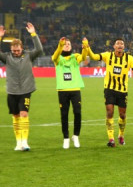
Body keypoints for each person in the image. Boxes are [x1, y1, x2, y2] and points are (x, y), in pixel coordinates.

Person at [84, 37, 133, 147]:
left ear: (124, 47)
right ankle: (111, 138)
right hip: (109, 89)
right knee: (110, 112)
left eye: (122, 44)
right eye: (118, 43)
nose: (120, 45)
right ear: (114, 46)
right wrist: (87, 48)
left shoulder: (129, 58)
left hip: (122, 90)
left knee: (122, 115)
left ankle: (121, 135)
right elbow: (93, 56)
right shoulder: (108, 55)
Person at [0, 23, 43, 151]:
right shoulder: (7, 57)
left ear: (22, 48)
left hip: (25, 90)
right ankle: (18, 143)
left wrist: (33, 34)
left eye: (18, 50)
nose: (16, 53)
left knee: (24, 114)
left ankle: (25, 142)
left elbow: (39, 50)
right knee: (15, 116)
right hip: (12, 91)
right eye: (14, 51)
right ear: (11, 49)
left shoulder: (29, 55)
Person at [52, 37, 88, 149]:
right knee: (64, 115)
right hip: (62, 90)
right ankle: (66, 138)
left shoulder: (75, 57)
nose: (67, 45)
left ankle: (76, 136)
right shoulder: (58, 58)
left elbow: (83, 57)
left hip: (75, 89)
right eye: (65, 44)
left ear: (71, 46)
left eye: (69, 44)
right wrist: (60, 45)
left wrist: (85, 46)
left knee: (77, 112)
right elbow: (54, 57)